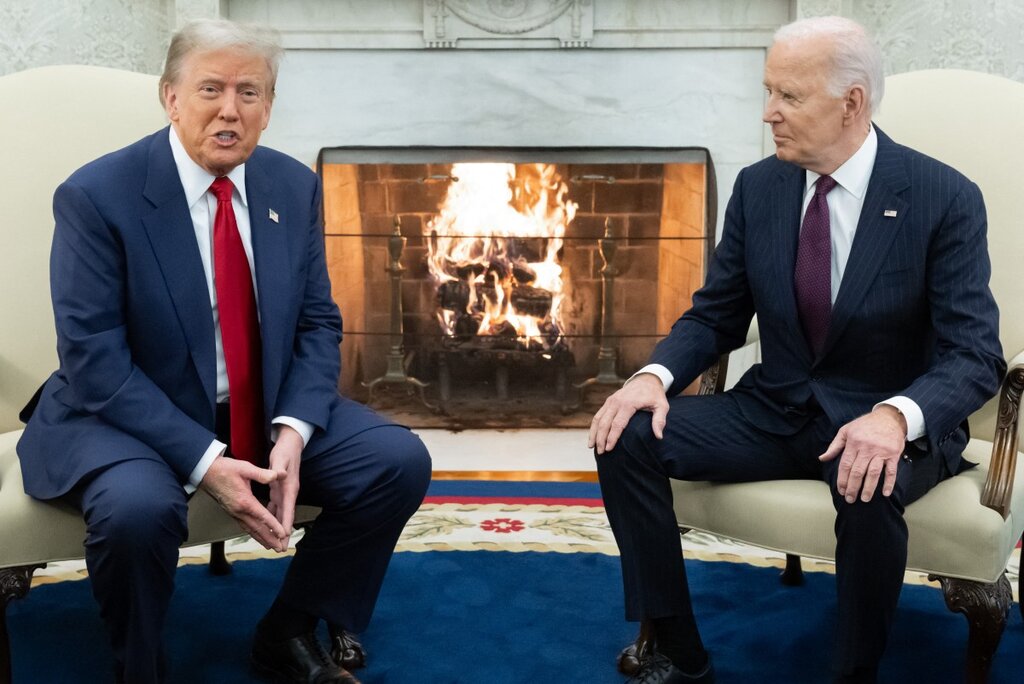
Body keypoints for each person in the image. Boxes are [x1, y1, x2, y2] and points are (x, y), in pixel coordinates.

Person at [588, 16, 1004, 684]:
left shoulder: (941, 198)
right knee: (624, 433)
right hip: (776, 408)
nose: (768, 114)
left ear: (852, 104)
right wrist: (653, 377)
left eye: (789, 96)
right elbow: (718, 313)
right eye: (768, 91)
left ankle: (854, 671)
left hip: (886, 422)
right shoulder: (761, 188)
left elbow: (975, 353)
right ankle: (676, 647)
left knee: (867, 483)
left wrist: (896, 417)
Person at [16, 18, 431, 684]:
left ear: (268, 107)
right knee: (137, 511)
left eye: (250, 91)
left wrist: (295, 430)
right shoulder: (98, 196)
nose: (230, 109)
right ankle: (139, 667)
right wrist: (208, 463)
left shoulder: (292, 187)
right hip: (124, 413)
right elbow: (96, 358)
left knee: (396, 461)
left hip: (253, 400)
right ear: (171, 98)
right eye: (211, 88)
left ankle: (288, 630)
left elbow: (318, 323)